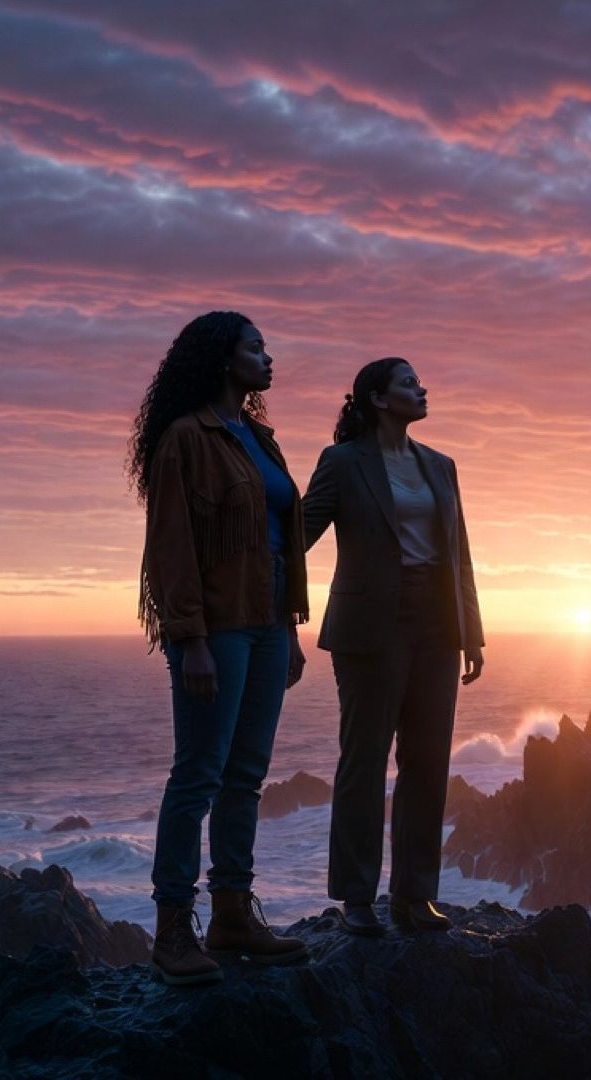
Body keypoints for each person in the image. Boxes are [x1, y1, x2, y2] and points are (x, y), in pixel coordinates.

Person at [130, 310, 311, 984]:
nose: (268, 358)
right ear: (221, 358)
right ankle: (173, 928)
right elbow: (171, 548)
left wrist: (289, 629)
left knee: (247, 774)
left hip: (267, 624)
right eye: (255, 347)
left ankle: (233, 912)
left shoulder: (259, 438)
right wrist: (190, 640)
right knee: (198, 774)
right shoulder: (185, 439)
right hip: (216, 628)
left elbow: (276, 539)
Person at [303, 356, 485, 936]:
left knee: (428, 761)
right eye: (409, 383)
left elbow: (460, 555)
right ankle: (357, 898)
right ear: (378, 399)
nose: (422, 388)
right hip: (369, 625)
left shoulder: (441, 465)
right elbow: (295, 537)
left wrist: (471, 631)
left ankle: (414, 896)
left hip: (437, 621)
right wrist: (265, 604)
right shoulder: (341, 462)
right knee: (364, 758)